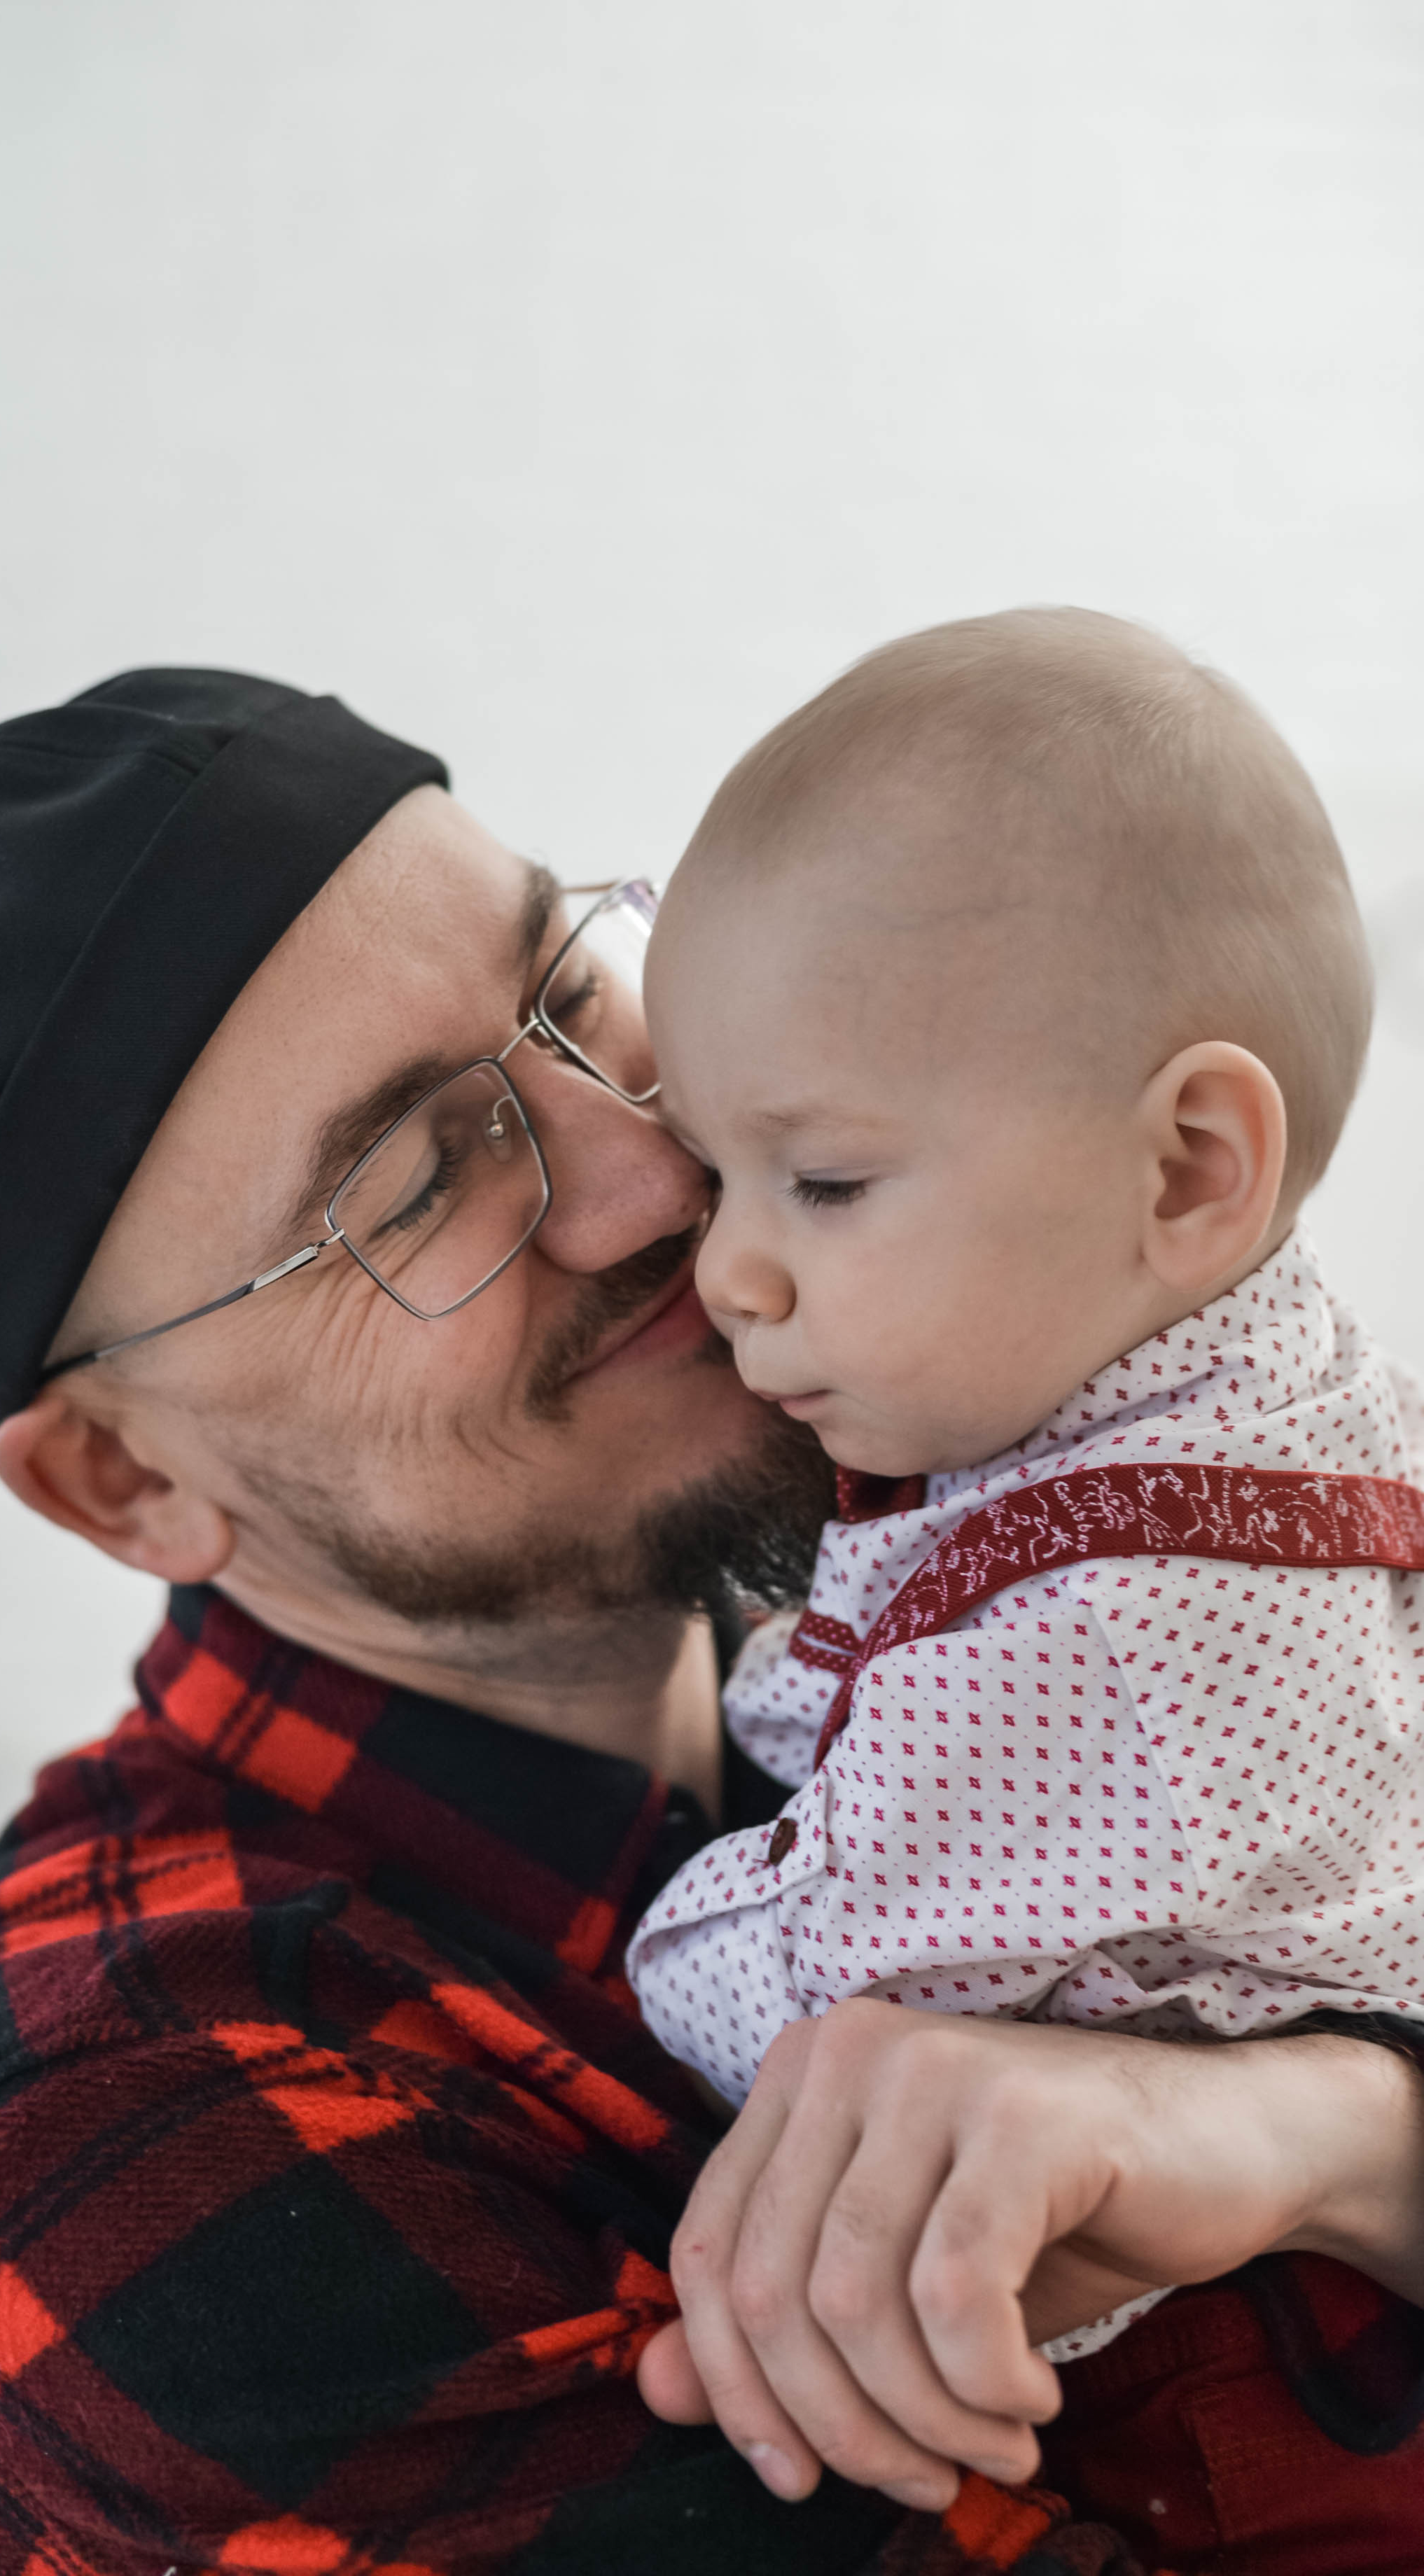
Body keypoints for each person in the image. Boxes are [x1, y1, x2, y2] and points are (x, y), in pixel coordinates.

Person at [0, 665, 1424, 2576]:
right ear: (125, 1486)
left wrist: (1329, 2137)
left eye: (567, 992)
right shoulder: (114, 2157)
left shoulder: (987, 1615)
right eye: (413, 1183)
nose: (650, 1175)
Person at [626, 608, 1424, 2569]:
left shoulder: (1111, 1631)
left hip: (1270, 2423)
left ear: (1184, 1170)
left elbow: (821, 1990)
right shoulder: (1251, 1390)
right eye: (709, 1171)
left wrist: (666, 1913)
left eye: (818, 1184)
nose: (725, 1270)